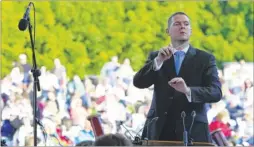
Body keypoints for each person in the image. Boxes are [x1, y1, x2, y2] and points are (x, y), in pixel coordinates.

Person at [133, 12, 222, 143]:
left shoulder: (205, 59)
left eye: (186, 24)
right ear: (168, 31)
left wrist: (188, 90)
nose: (182, 27)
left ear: (191, 31)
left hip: (193, 130)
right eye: (177, 24)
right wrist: (158, 62)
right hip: (159, 130)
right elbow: (138, 82)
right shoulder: (156, 57)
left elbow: (216, 93)